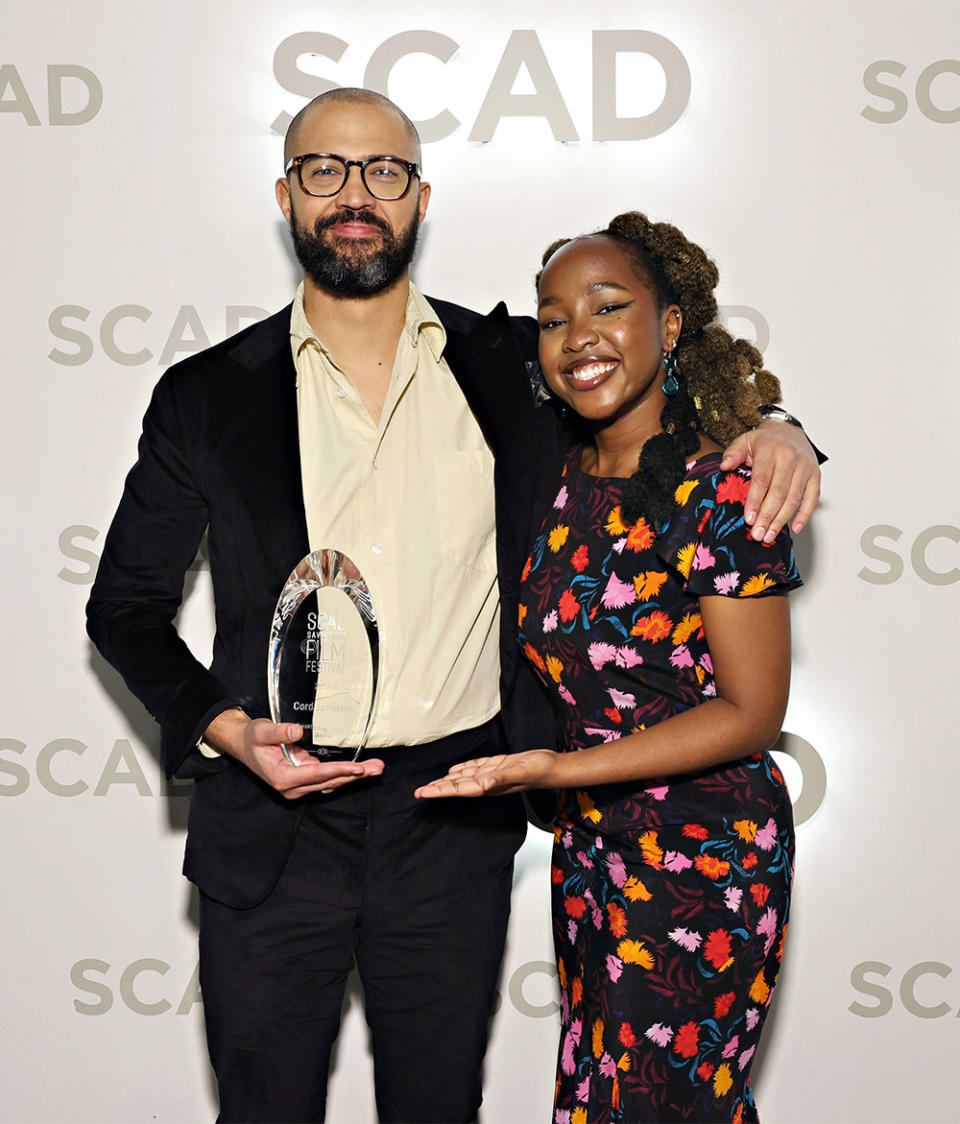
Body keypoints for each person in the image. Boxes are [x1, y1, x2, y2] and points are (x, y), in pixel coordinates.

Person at [86, 88, 819, 1124]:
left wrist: (783, 428)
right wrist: (222, 726)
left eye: (383, 170)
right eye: (325, 170)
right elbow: (124, 606)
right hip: (272, 827)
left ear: (421, 197)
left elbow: (662, 386)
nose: (354, 195)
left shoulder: (518, 368)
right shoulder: (206, 393)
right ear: (286, 196)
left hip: (452, 817)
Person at [417, 212, 802, 1123]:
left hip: (703, 856)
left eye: (608, 305)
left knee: (661, 1105)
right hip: (595, 850)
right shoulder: (558, 476)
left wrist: (562, 772)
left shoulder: (723, 489)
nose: (577, 335)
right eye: (552, 318)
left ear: (670, 326)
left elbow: (752, 712)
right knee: (603, 1100)